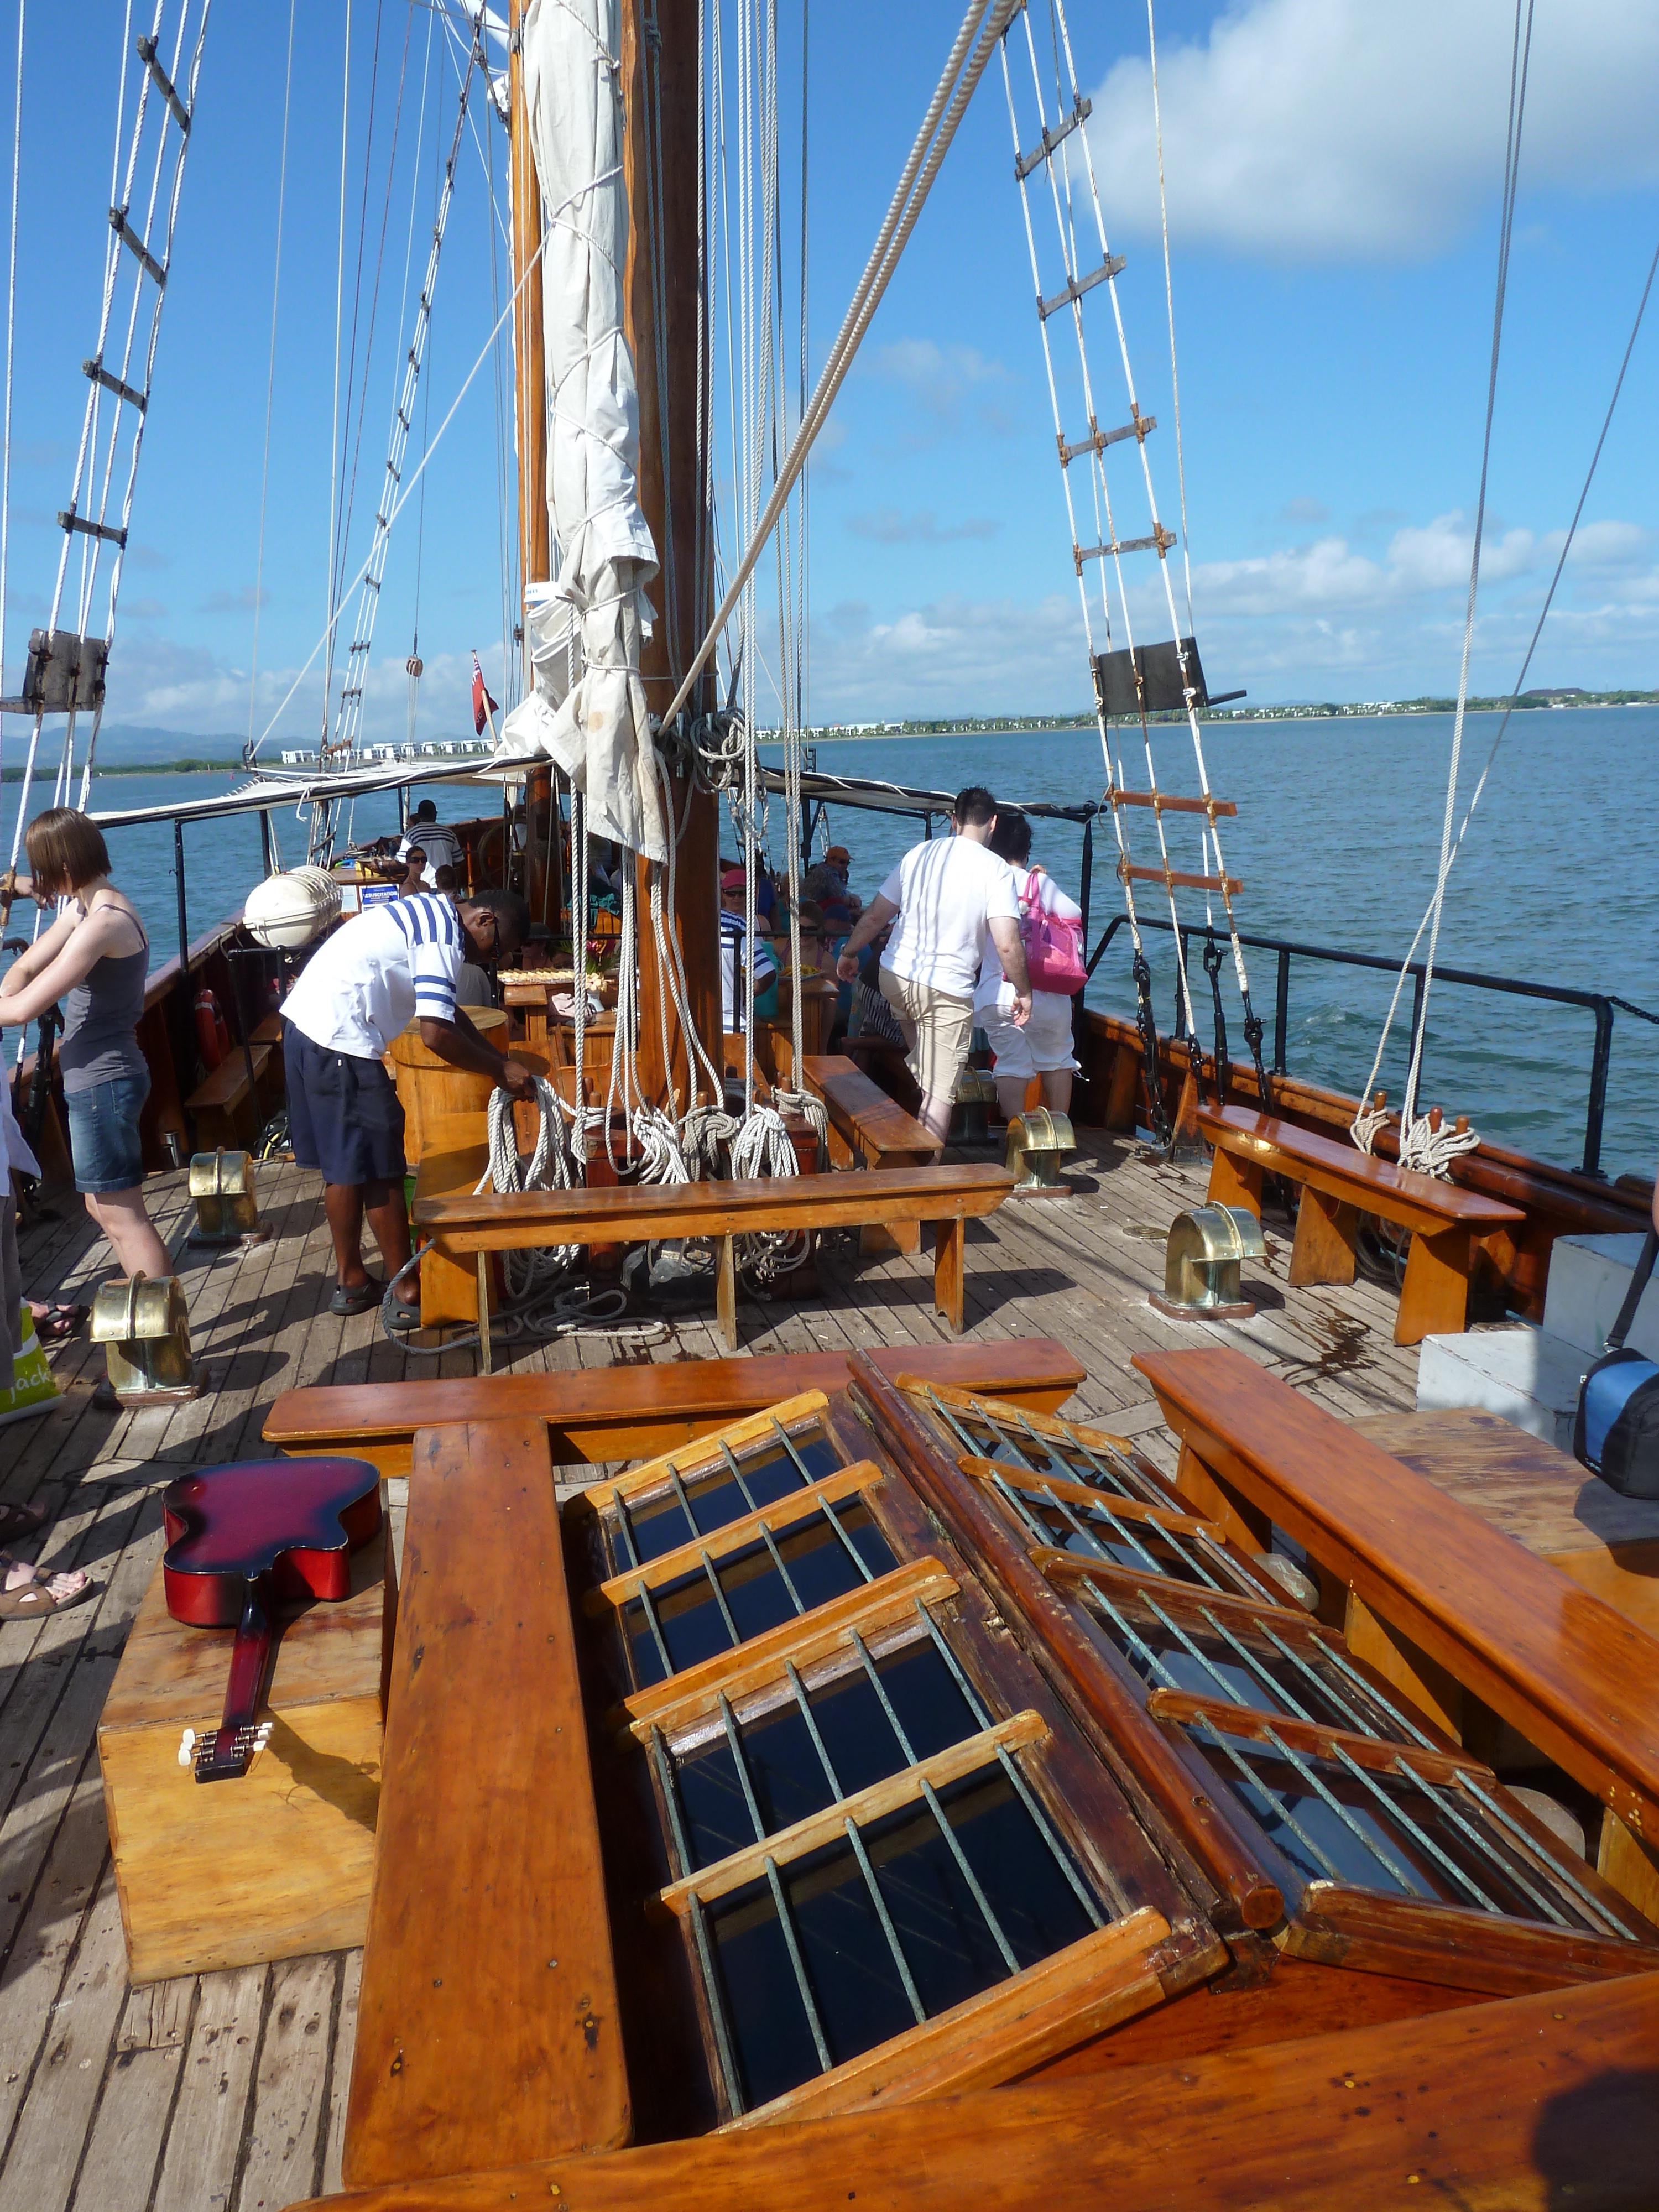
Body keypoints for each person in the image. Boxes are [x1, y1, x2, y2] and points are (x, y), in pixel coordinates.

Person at [280, 884, 536, 1323]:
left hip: (308, 1029)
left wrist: (499, 1061)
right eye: (497, 953)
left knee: (345, 1167)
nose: (489, 962)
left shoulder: (433, 911)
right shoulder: (444, 937)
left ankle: (353, 1282)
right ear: (485, 922)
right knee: (380, 1170)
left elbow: (450, 1013)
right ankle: (407, 1290)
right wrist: (497, 1073)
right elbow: (436, 1035)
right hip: (341, 1042)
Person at [0, 810, 171, 1285]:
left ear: (64, 866)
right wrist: (7, 989)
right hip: (94, 1081)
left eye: (43, 868)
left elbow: (25, 1008)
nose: (40, 882)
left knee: (123, 1215)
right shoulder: (82, 907)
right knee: (102, 1206)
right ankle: (146, 1306)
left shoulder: (105, 923)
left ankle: (160, 1334)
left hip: (106, 1083)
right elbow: (24, 972)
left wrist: (8, 1002)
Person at [834, 786, 1030, 1147]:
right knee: (942, 1095)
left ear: (954, 820)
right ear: (993, 822)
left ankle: (917, 1139)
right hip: (945, 993)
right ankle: (922, 1177)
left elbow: (877, 915)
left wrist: (848, 952)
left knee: (930, 1076)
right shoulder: (996, 871)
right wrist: (1023, 990)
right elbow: (1006, 942)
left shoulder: (919, 854)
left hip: (895, 980)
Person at [979, 810, 1083, 1120]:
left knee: (1011, 1062)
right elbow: (1074, 914)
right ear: (1026, 850)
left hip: (998, 994)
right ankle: (1058, 1138)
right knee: (1058, 1059)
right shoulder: (1038, 883)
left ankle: (1017, 1138)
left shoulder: (984, 881)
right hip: (1045, 995)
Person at [719, 868, 777, 1032]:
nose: (737, 898)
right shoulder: (737, 925)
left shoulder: (754, 923)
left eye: (742, 893)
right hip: (732, 1021)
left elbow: (771, 961)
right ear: (723, 894)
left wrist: (743, 997)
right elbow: (768, 972)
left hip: (736, 1012)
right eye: (731, 894)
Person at [397, 800, 464, 890]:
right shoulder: (449, 833)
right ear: (435, 814)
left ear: (419, 815)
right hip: (447, 886)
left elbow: (402, 861)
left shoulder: (411, 834)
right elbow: (459, 860)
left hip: (424, 886)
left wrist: (382, 864)